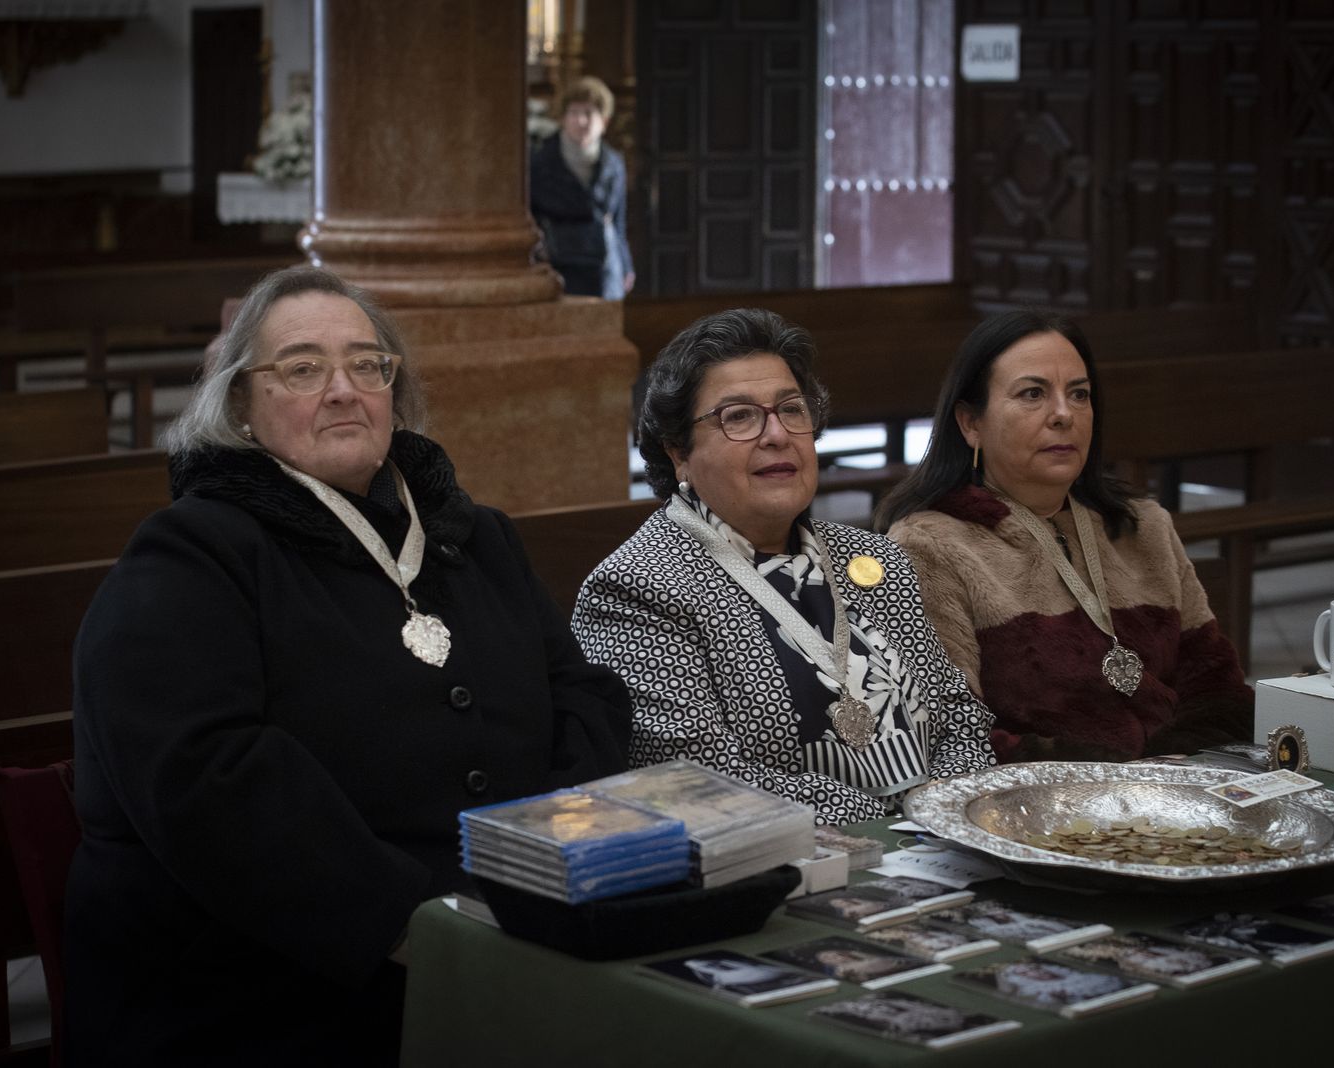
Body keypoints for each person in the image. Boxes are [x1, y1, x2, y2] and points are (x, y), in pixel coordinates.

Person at [66, 266, 631, 1066]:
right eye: (302, 369)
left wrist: (555, 857)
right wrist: (420, 928)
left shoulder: (476, 537)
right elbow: (209, 782)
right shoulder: (192, 556)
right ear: (240, 403)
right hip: (275, 986)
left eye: (368, 365)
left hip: (513, 932)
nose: (343, 390)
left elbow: (582, 695)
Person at [572, 309, 993, 826]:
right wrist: (896, 823)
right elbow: (696, 781)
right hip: (795, 859)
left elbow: (959, 717)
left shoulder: (875, 558)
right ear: (678, 452)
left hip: (942, 841)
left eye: (791, 409)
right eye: (739, 417)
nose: (777, 434)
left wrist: (945, 814)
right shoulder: (638, 588)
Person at [877, 310, 1252, 764]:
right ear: (971, 423)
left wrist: (1177, 773)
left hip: (1178, 783)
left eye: (1079, 394)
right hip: (1046, 797)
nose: (1063, 414)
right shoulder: (930, 547)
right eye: (1032, 394)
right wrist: (1117, 782)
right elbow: (957, 735)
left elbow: (1217, 685)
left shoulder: (1143, 526)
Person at [530, 75, 635, 300]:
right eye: (574, 112)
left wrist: (626, 264)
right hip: (558, 262)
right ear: (563, 118)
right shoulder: (540, 161)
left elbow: (618, 220)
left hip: (603, 263)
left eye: (589, 113)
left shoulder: (613, 163)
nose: (581, 121)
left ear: (604, 121)